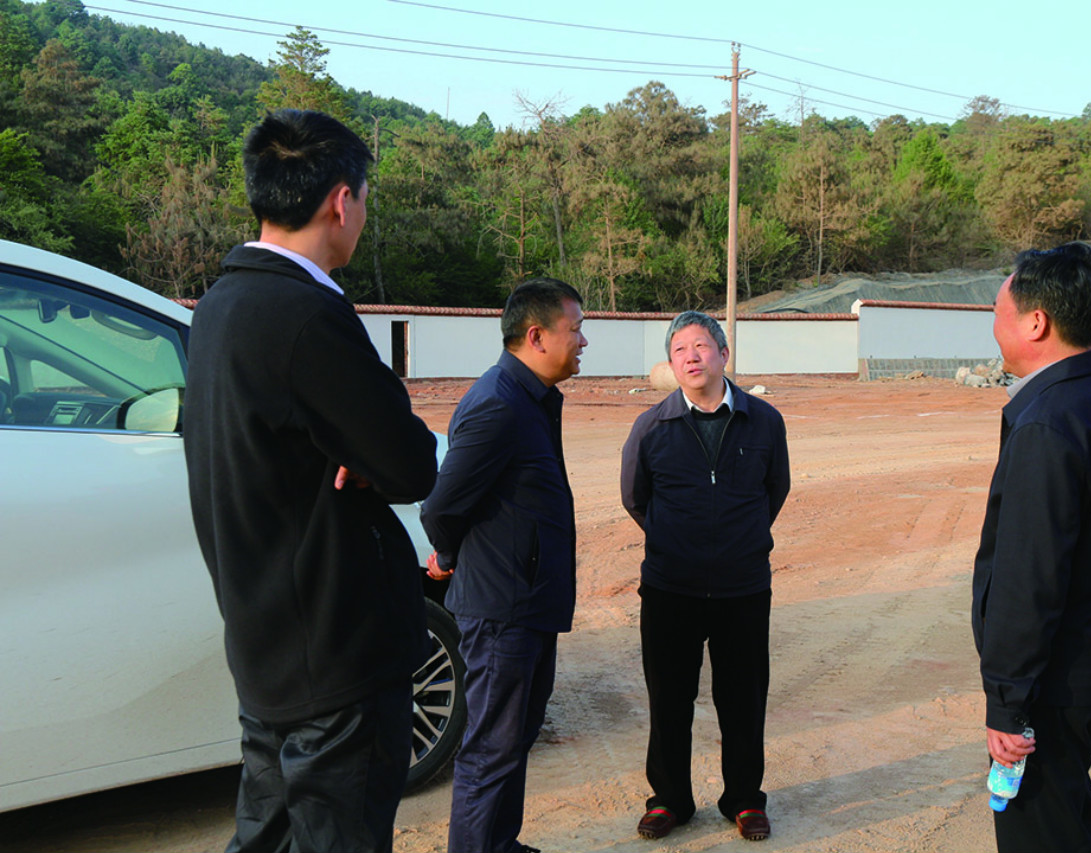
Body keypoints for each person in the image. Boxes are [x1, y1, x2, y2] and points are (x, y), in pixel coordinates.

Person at [184, 109, 439, 853]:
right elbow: (410, 462)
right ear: (341, 199)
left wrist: (353, 447)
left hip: (268, 640)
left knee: (266, 835)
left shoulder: (221, 305)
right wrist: (363, 448)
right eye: (364, 199)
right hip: (335, 653)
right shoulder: (304, 314)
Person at [972, 242, 1091, 852]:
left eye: (998, 312)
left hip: (1052, 678)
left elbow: (1028, 578)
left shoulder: (1048, 424)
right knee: (1067, 813)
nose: (993, 326)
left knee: (1039, 828)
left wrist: (1008, 703)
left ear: (1036, 322)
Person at [419, 278, 586, 853]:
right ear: (536, 336)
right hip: (501, 610)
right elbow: (442, 506)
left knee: (513, 740)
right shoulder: (498, 404)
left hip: (527, 603)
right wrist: (448, 556)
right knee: (490, 750)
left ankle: (499, 845)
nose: (583, 340)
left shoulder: (529, 398)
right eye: (575, 329)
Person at [620, 311, 790, 843]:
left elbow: (776, 489)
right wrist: (677, 541)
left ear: (723, 354)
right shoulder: (652, 427)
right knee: (669, 700)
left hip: (743, 587)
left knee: (744, 700)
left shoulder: (764, 421)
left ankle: (744, 799)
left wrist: (740, 539)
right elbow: (635, 497)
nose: (690, 357)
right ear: (671, 365)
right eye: (679, 350)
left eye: (700, 346)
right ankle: (669, 800)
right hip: (670, 588)